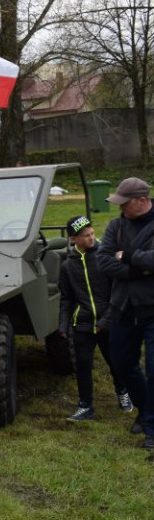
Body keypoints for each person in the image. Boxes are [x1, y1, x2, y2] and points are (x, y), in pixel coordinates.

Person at [96, 177, 154, 449]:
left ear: (142, 201)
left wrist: (128, 256)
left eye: (124, 203)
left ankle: (152, 429)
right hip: (123, 308)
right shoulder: (116, 226)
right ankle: (145, 410)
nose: (120, 208)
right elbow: (104, 261)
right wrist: (140, 270)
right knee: (121, 363)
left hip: (152, 308)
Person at [59, 215, 132, 421]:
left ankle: (122, 391)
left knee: (115, 362)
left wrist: (105, 321)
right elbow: (66, 298)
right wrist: (63, 324)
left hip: (108, 323)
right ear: (73, 239)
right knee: (82, 367)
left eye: (92, 233)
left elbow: (117, 293)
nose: (92, 238)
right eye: (86, 235)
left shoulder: (104, 258)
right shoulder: (67, 266)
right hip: (82, 325)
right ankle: (85, 406)